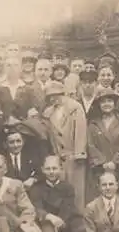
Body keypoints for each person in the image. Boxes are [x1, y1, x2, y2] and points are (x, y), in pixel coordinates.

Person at [29, 155, 89, 232]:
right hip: (47, 228)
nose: (51, 172)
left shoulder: (67, 187)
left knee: (78, 222)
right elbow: (37, 207)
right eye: (48, 169)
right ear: (42, 169)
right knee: (46, 226)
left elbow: (68, 207)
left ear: (61, 169)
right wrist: (49, 217)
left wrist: (60, 220)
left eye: (54, 168)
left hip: (63, 225)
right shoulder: (36, 188)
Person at [43, 81, 87, 211]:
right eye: (50, 96)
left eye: (57, 95)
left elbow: (81, 131)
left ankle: (78, 219)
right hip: (57, 157)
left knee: (76, 191)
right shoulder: (48, 112)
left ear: (63, 94)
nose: (54, 98)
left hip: (73, 155)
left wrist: (79, 153)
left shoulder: (75, 108)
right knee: (60, 191)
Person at [86, 88, 119, 203]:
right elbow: (90, 144)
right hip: (99, 169)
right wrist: (102, 162)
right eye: (103, 102)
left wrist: (114, 162)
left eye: (109, 101)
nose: (106, 104)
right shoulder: (93, 123)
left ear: (114, 103)